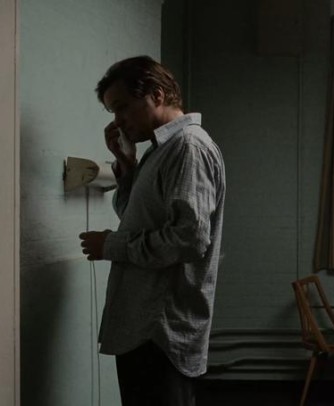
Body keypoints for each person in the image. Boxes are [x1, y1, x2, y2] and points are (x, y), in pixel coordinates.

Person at [79, 55, 226, 406]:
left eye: (122, 107)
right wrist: (128, 168)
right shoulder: (162, 150)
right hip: (145, 325)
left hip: (160, 328)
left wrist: (110, 246)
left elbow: (189, 239)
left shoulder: (187, 147)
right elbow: (138, 217)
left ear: (156, 95)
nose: (118, 121)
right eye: (112, 111)